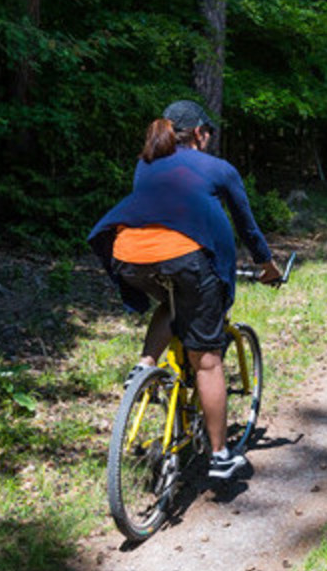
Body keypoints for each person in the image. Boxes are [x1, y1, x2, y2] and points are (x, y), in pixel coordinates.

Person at [88, 99, 280, 479]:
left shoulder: (145, 165)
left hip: (127, 255)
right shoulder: (219, 168)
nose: (209, 137)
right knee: (206, 360)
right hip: (187, 258)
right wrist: (268, 266)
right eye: (208, 132)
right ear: (199, 133)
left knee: (172, 301)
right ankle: (221, 454)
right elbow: (246, 226)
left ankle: (144, 366)